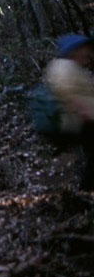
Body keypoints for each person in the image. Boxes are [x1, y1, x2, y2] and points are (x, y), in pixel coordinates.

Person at [45, 35, 94, 191]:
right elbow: (69, 97)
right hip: (81, 123)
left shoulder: (71, 67)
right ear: (74, 51)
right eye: (85, 48)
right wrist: (89, 114)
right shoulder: (64, 68)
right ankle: (85, 192)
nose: (88, 52)